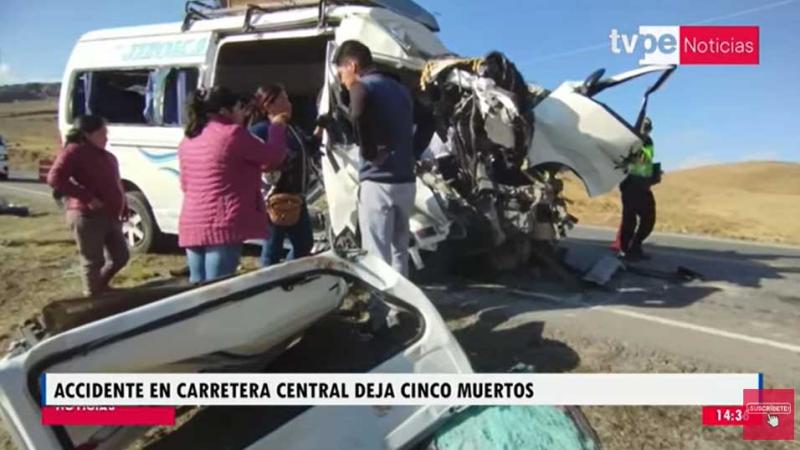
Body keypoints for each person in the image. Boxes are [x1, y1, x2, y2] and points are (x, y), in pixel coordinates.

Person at [335, 39, 430, 277]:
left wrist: (368, 151)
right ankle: (401, 307)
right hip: (405, 181)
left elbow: (357, 112)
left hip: (377, 183)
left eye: (341, 72)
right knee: (400, 250)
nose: (342, 80)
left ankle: (384, 310)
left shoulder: (363, 85)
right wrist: (413, 153)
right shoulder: (401, 89)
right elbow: (429, 120)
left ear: (352, 65)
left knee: (376, 254)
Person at [178, 86, 289, 284]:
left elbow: (185, 184)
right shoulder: (232, 134)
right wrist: (277, 126)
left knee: (195, 287)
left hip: (192, 221)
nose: (243, 113)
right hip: (222, 223)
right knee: (218, 288)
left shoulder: (189, 138)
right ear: (224, 111)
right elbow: (274, 156)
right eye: (239, 108)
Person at [47, 115, 130, 297]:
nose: (106, 137)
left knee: (121, 256)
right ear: (87, 134)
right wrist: (87, 197)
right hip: (87, 215)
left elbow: (116, 183)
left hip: (110, 214)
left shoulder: (107, 156)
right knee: (93, 260)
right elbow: (54, 178)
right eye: (101, 133)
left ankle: (99, 285)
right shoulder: (74, 152)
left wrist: (124, 204)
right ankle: (92, 295)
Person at [249, 85, 322, 266]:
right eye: (283, 100)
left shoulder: (292, 129)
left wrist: (321, 127)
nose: (288, 104)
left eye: (288, 99)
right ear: (268, 105)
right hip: (273, 199)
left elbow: (310, 147)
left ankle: (286, 276)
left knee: (304, 244)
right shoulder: (260, 130)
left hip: (296, 197)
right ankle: (267, 283)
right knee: (272, 247)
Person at [618, 117, 658, 261]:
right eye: (644, 127)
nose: (646, 131)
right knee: (630, 219)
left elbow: (646, 162)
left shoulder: (648, 142)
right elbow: (622, 163)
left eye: (648, 128)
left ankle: (635, 246)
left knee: (649, 218)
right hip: (630, 184)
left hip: (643, 185)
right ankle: (625, 250)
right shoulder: (629, 141)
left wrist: (653, 173)